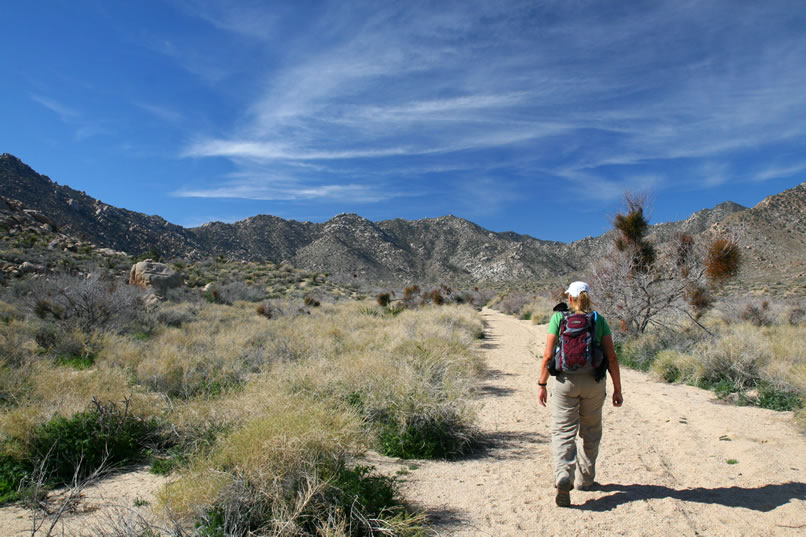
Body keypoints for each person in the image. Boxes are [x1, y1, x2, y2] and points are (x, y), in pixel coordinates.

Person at [538, 281, 623, 507]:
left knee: (563, 431)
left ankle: (563, 475)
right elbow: (612, 357)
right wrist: (617, 389)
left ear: (571, 299)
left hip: (566, 382)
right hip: (594, 382)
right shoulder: (599, 320)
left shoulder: (559, 319)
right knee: (591, 432)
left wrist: (542, 384)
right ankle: (585, 480)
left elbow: (547, 356)